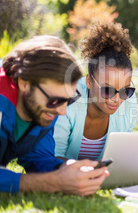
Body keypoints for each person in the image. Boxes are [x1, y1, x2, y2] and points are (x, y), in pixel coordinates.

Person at [0, 35, 108, 195]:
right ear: (24, 82)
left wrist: (64, 168)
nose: (62, 111)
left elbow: (38, 157)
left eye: (68, 100)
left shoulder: (42, 108)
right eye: (55, 100)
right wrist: (53, 182)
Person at [54, 23, 137, 161]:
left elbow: (124, 155)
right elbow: (53, 157)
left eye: (125, 91)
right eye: (107, 90)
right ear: (89, 81)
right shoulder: (68, 100)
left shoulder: (128, 101)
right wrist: (90, 171)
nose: (117, 99)